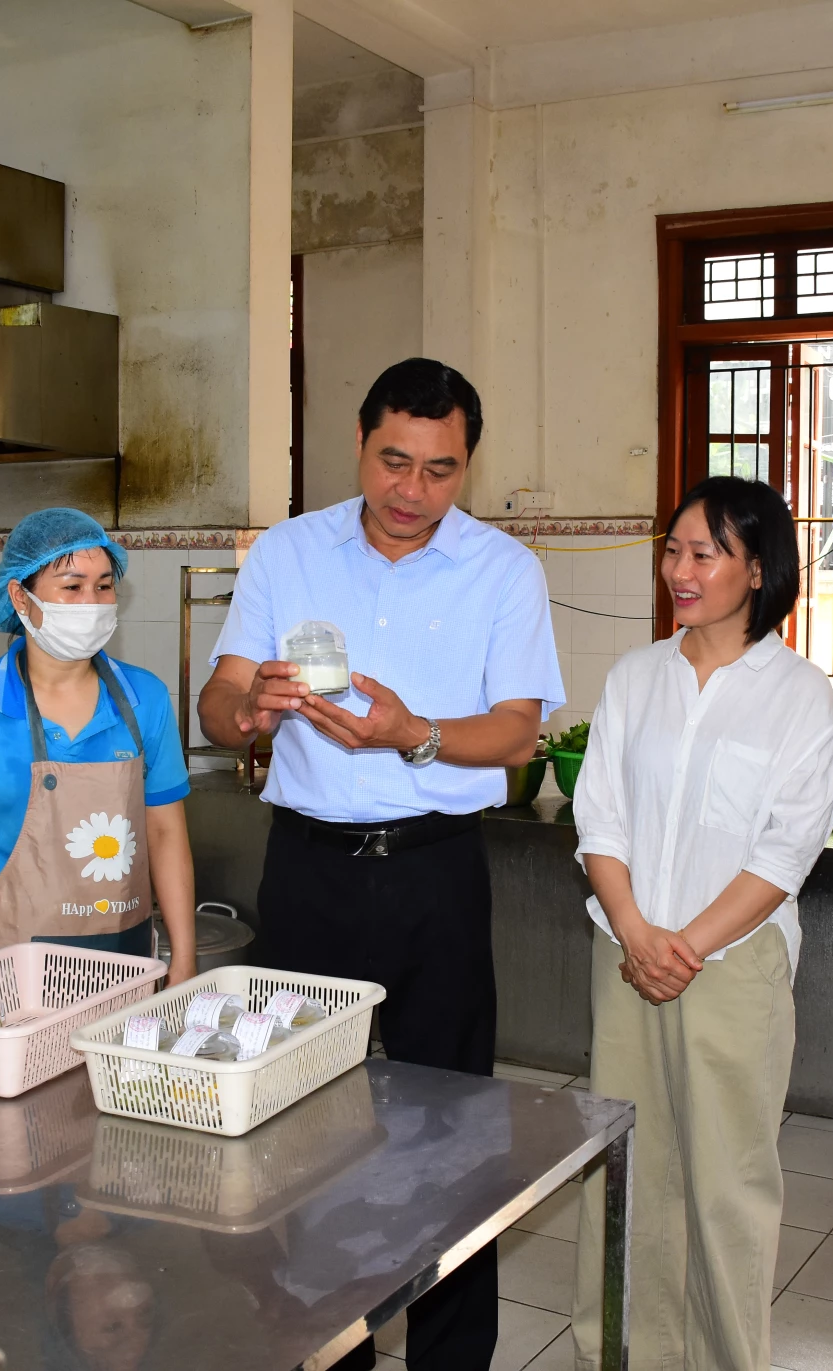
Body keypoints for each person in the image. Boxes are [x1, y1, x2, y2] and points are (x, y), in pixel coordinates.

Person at [197, 356, 562, 1371]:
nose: (412, 492)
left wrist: (416, 736)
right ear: (359, 444)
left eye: (440, 471)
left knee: (452, 1127)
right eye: (394, 461)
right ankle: (326, 1345)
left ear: (467, 466)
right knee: (300, 1122)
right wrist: (247, 711)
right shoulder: (288, 553)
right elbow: (219, 700)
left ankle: (450, 1359)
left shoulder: (503, 570)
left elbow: (518, 732)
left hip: (434, 874)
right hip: (308, 871)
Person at [571, 476, 833, 1371]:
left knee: (727, 1186)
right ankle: (621, 1356)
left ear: (758, 569)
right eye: (673, 548)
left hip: (731, 968)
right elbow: (598, 815)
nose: (678, 570)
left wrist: (685, 944)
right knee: (628, 1175)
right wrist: (637, 930)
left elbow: (786, 846)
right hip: (628, 957)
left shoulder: (798, 693)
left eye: (704, 553)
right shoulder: (634, 677)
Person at [0, 508, 196, 975]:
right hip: (2, 961)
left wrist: (183, 959)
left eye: (103, 585)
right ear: (20, 598)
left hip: (120, 960)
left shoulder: (144, 698)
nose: (92, 601)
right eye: (71, 586)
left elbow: (166, 834)